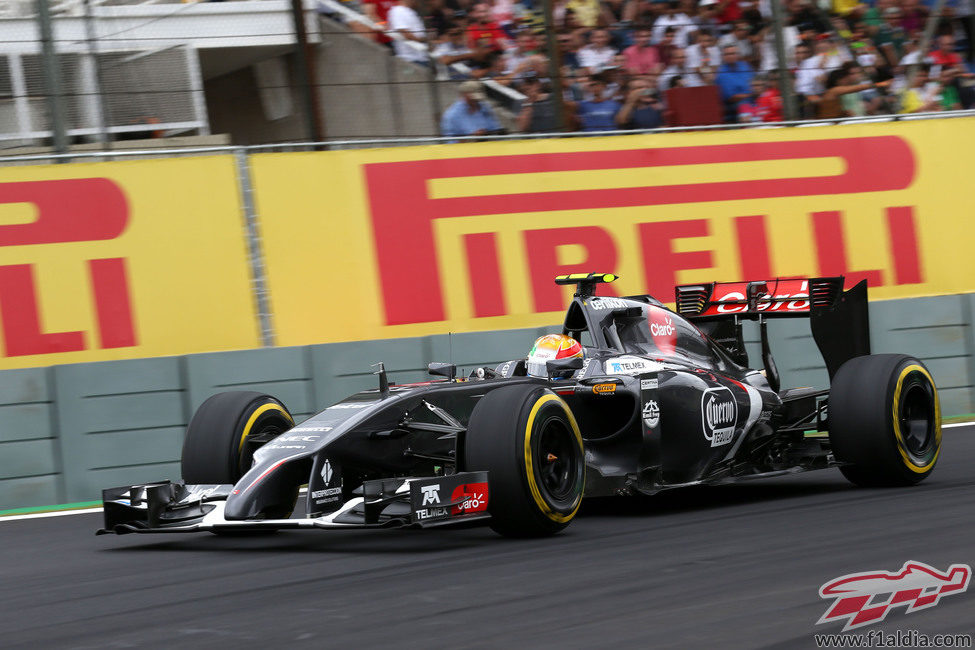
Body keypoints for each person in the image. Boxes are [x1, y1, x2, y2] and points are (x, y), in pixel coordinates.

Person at [716, 44, 754, 122]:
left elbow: (754, 82)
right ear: (723, 56)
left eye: (733, 53)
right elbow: (731, 97)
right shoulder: (721, 73)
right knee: (744, 105)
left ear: (737, 55)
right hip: (734, 105)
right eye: (727, 54)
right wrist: (751, 95)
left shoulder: (745, 66)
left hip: (752, 99)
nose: (730, 56)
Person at [388, 0, 429, 64]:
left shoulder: (411, 11)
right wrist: (423, 40)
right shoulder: (398, 10)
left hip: (421, 57)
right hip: (410, 59)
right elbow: (405, 32)